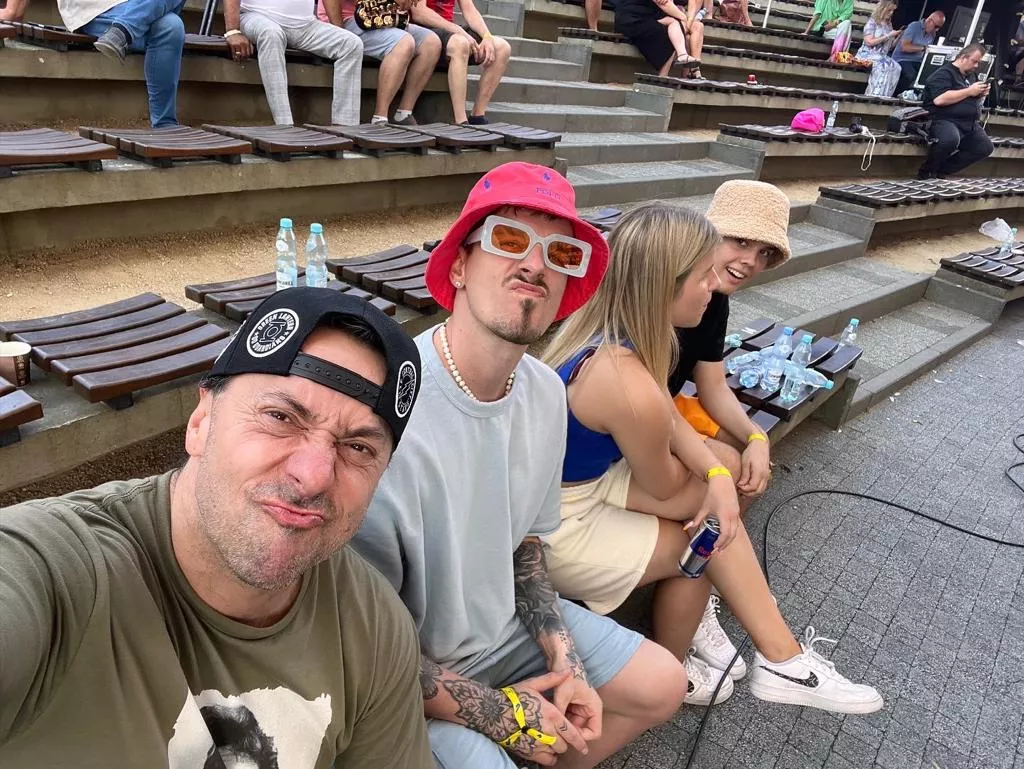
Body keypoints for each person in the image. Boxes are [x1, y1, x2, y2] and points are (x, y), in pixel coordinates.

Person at [0, 289, 433, 768]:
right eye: (280, 417)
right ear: (201, 421)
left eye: (358, 448)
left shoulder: (373, 627)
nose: (313, 475)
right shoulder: (58, 573)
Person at [352, 161, 689, 769]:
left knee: (663, 683)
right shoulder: (382, 411)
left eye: (562, 253)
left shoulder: (544, 392)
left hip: (503, 629)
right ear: (459, 265)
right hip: (396, 672)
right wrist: (498, 714)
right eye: (509, 239)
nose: (535, 264)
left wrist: (564, 655)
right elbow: (354, 635)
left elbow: (525, 543)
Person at [541, 200, 885, 715]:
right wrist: (716, 487)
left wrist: (718, 472)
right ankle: (715, 666)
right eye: (705, 275)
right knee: (706, 541)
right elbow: (662, 477)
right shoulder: (626, 379)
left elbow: (666, 413)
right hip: (558, 523)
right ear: (666, 282)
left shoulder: (614, 332)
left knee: (715, 512)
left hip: (569, 482)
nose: (714, 287)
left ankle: (778, 657)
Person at [225, 0, 363, 126]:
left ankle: (345, 127)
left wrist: (337, 28)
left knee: (351, 44)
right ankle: (285, 126)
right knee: (271, 34)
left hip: (305, 25)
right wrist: (233, 31)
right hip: (256, 17)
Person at [61, 0, 186, 127]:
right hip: (97, 9)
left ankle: (123, 29)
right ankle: (126, 27)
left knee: (171, 26)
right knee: (170, 27)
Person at [318, 0, 441, 125]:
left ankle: (404, 113)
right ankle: (380, 118)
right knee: (403, 43)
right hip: (345, 20)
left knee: (431, 43)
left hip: (381, 17)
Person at [410, 0, 511, 125]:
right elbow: (419, 13)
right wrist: (458, 30)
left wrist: (487, 37)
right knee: (460, 43)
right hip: (424, 33)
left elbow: (470, 10)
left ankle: (477, 116)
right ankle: (461, 121)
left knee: (502, 48)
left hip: (449, 31)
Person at [918, 43, 993, 179]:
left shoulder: (970, 75)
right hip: (942, 119)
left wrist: (979, 93)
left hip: (968, 123)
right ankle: (927, 171)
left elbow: (968, 95)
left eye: (978, 62)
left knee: (984, 147)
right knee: (949, 140)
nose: (976, 66)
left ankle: (942, 171)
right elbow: (939, 100)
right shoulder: (943, 73)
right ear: (963, 57)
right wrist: (969, 91)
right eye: (974, 61)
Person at [614, 0, 703, 79]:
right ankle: (666, 73)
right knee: (671, 34)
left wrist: (686, 20)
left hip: (645, 16)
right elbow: (665, 4)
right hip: (632, 18)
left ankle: (683, 62)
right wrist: (684, 18)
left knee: (675, 29)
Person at [854, 0, 902, 97]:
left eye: (893, 11)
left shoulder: (889, 25)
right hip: (867, 54)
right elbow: (869, 42)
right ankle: (873, 94)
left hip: (881, 55)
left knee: (897, 67)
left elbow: (890, 47)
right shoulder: (872, 22)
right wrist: (888, 35)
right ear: (883, 9)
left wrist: (898, 37)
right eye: (889, 10)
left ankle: (885, 96)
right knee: (884, 65)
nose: (891, 13)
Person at [892, 10, 944, 94]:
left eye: (939, 28)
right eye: (936, 26)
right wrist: (923, 48)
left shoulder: (932, 33)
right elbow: (904, 47)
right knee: (911, 75)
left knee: (930, 75)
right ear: (929, 20)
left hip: (918, 61)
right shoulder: (914, 26)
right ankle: (898, 95)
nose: (937, 30)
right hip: (902, 59)